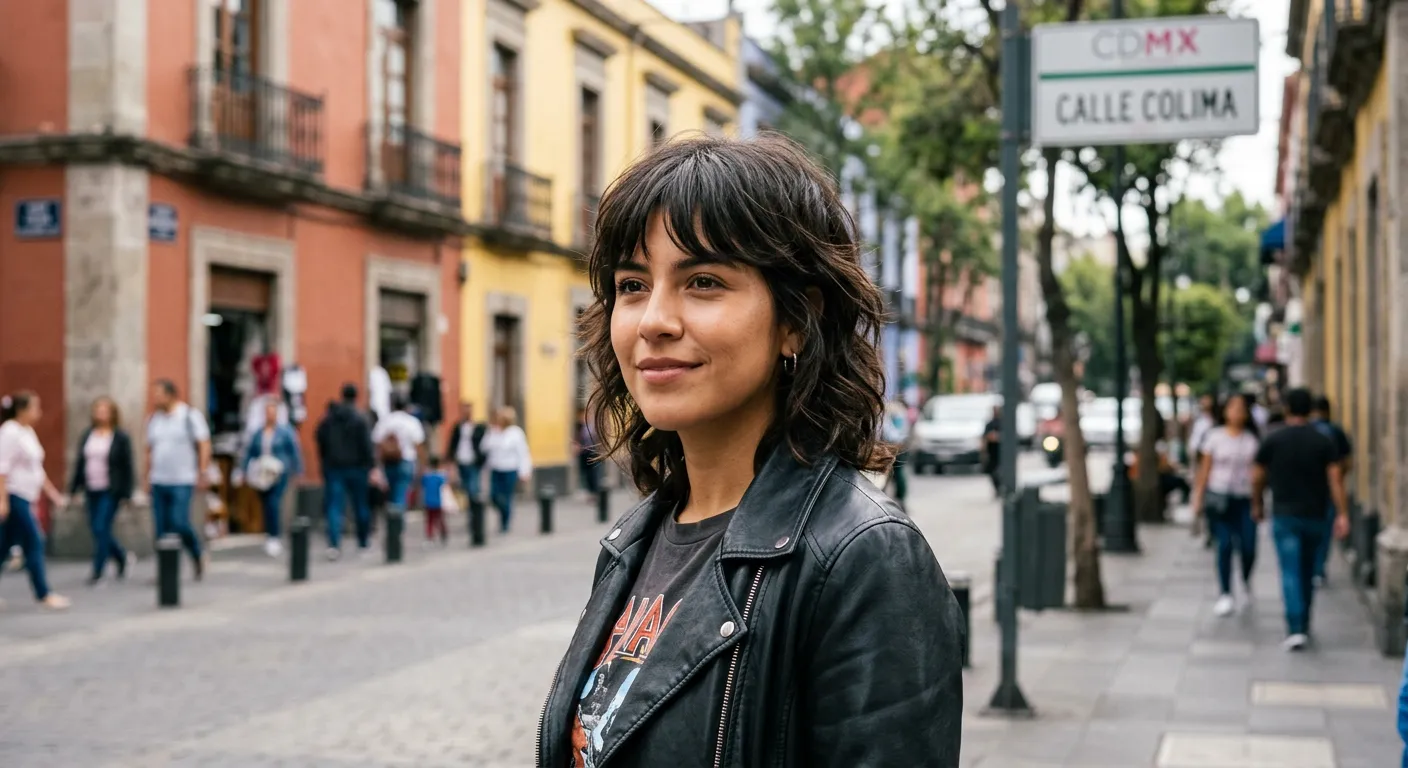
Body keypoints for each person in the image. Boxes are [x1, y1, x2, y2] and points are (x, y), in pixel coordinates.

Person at [539, 135, 962, 768]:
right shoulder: (638, 539)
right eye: (632, 284)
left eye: (703, 281)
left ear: (796, 320)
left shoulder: (862, 559)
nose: (654, 319)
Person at [1252, 387, 1350, 651]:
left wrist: (1257, 503)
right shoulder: (1323, 441)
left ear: (1286, 409)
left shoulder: (1273, 439)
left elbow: (1257, 475)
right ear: (1310, 411)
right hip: (1316, 515)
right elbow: (1335, 479)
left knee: (1290, 570)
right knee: (1307, 570)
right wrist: (1342, 513)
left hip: (1285, 514)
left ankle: (1295, 627)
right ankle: (1304, 620)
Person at [1191, 394, 1261, 617]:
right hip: (1219, 498)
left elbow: (1259, 473)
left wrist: (1258, 501)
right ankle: (1225, 593)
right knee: (1225, 545)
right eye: (1233, 408)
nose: (1237, 413)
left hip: (1244, 498)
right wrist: (1198, 498)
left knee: (1248, 546)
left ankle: (1245, 580)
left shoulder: (1252, 440)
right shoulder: (1214, 437)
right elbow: (1204, 470)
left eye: (1241, 408)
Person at [0, 392, 71, 610]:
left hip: (27, 495)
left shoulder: (27, 432)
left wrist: (52, 493)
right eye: (35, 407)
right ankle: (43, 593)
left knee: (3, 547)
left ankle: (43, 593)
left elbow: (36, 470)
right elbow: (2, 468)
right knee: (34, 540)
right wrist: (2, 501)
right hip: (15, 495)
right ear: (22, 409)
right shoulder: (9, 432)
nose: (38, 412)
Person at [147, 379, 211, 580]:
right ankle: (166, 573)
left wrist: (202, 471)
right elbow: (148, 449)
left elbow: (204, 444)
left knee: (179, 522)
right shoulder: (153, 420)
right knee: (161, 529)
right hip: (158, 480)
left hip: (182, 479)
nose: (155, 398)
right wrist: (146, 474)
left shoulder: (189, 416)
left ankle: (197, 553)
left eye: (159, 394)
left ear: (171, 394)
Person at [70, 396, 136, 584]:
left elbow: (127, 466)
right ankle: (121, 556)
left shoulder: (121, 437)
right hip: (92, 488)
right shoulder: (88, 435)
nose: (100, 413)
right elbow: (80, 463)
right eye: (97, 409)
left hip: (111, 489)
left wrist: (127, 494)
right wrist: (74, 489)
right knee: (98, 529)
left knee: (101, 526)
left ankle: (98, 571)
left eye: (104, 410)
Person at [315, 384, 376, 560]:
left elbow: (320, 438)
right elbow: (367, 445)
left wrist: (326, 460)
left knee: (334, 507)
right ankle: (363, 542)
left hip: (334, 468)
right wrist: (370, 465)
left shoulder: (330, 418)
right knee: (361, 506)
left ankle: (334, 544)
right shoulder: (360, 418)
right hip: (357, 468)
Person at [242, 398, 303, 557]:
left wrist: (297, 470)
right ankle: (270, 534)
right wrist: (243, 470)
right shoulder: (258, 432)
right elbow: (250, 452)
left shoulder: (285, 431)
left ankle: (274, 536)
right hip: (262, 474)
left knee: (273, 503)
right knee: (266, 504)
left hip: (279, 472)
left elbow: (294, 451)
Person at [1309, 394, 1352, 586]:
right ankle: (1319, 569)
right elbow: (1346, 461)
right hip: (1329, 489)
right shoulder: (1335, 431)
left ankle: (1309, 566)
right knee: (1324, 531)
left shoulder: (1307, 430)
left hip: (1307, 490)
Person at [480, 406, 532, 533]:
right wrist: (491, 434)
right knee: (494, 495)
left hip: (510, 469)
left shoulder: (516, 433)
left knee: (507, 496)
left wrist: (524, 472)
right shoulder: (493, 432)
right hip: (496, 469)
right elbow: (484, 447)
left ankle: (505, 522)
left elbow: (523, 453)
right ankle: (503, 514)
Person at [372, 394, 425, 512]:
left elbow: (377, 443)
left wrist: (377, 463)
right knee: (401, 493)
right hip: (407, 460)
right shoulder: (412, 422)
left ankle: (392, 516)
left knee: (391, 492)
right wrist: (422, 465)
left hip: (388, 461)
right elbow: (418, 445)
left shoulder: (385, 421)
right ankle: (397, 521)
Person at [445, 402, 487, 502]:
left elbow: (484, 443)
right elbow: (453, 442)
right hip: (461, 458)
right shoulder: (458, 427)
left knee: (473, 484)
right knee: (464, 483)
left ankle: (474, 505)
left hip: (473, 459)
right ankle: (469, 503)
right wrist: (450, 458)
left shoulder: (478, 427)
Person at [882, 399, 911, 509]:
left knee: (891, 473)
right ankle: (899, 499)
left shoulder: (891, 411)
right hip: (897, 444)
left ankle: (895, 499)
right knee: (897, 472)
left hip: (892, 445)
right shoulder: (900, 411)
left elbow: (890, 432)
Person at [573, 408, 603, 497]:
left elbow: (597, 440)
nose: (582, 418)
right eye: (581, 416)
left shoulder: (593, 427)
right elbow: (577, 439)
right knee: (585, 473)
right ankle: (590, 491)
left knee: (593, 473)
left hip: (593, 453)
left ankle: (594, 492)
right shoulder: (579, 427)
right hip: (583, 454)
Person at [419, 456, 449, 546]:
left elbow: (422, 483)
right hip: (438, 502)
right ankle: (443, 533)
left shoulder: (427, 477)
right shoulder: (441, 476)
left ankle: (430, 537)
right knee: (440, 520)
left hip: (428, 502)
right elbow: (445, 485)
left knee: (430, 521)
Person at [982, 405, 1002, 498]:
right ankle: (997, 489)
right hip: (992, 451)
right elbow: (985, 437)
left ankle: (1001, 488)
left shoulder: (1003, 423)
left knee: (1000, 471)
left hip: (1001, 451)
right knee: (992, 471)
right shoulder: (990, 424)